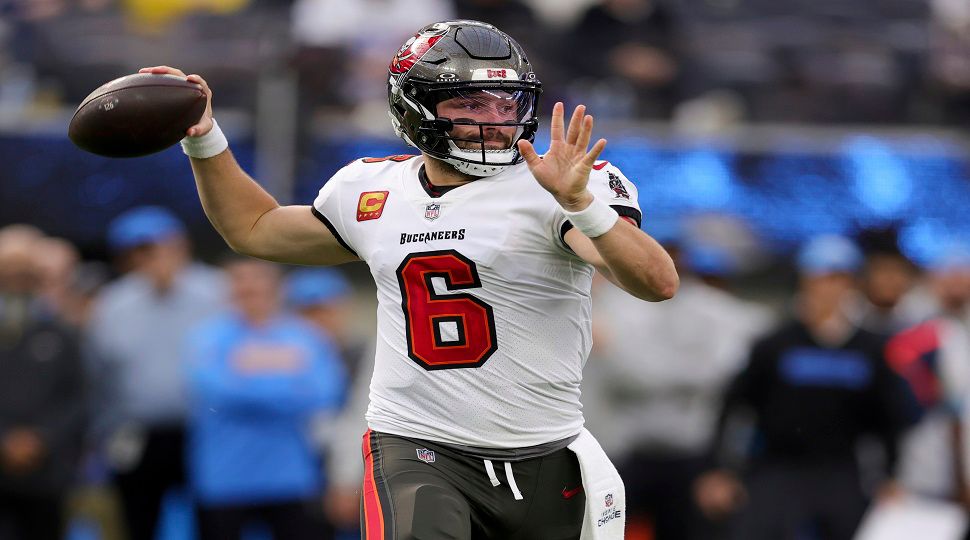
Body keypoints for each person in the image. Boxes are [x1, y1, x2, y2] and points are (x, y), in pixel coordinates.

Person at [140, 18, 678, 540]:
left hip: (544, 448)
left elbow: (656, 283)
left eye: (505, 101)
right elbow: (255, 229)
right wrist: (205, 139)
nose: (494, 118)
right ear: (414, 107)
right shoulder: (370, 188)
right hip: (417, 443)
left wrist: (582, 204)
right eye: (469, 103)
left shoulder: (561, 185)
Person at [694, 235, 914, 540]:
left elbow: (889, 417)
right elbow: (735, 405)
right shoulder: (775, 343)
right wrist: (720, 470)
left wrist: (890, 475)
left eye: (838, 279)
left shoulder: (870, 348)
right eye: (821, 279)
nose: (828, 289)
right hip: (778, 467)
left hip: (842, 471)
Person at [86, 206, 228, 540]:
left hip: (206, 430)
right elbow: (99, 371)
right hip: (136, 433)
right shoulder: (113, 303)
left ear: (182, 245)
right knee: (138, 520)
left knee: (215, 522)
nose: (152, 257)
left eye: (160, 246)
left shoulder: (218, 291)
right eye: (139, 250)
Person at [185, 257, 346, 540]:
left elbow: (324, 394)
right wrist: (285, 383)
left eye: (258, 277)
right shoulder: (207, 337)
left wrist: (248, 378)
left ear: (278, 285)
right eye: (240, 279)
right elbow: (215, 390)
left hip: (292, 478)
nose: (250, 286)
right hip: (224, 479)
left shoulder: (306, 336)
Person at [0, 225, 87, 540]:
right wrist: (5, 440)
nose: (16, 276)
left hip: (48, 474)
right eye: (9, 267)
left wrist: (42, 439)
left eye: (25, 268)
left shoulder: (60, 331)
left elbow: (77, 396)